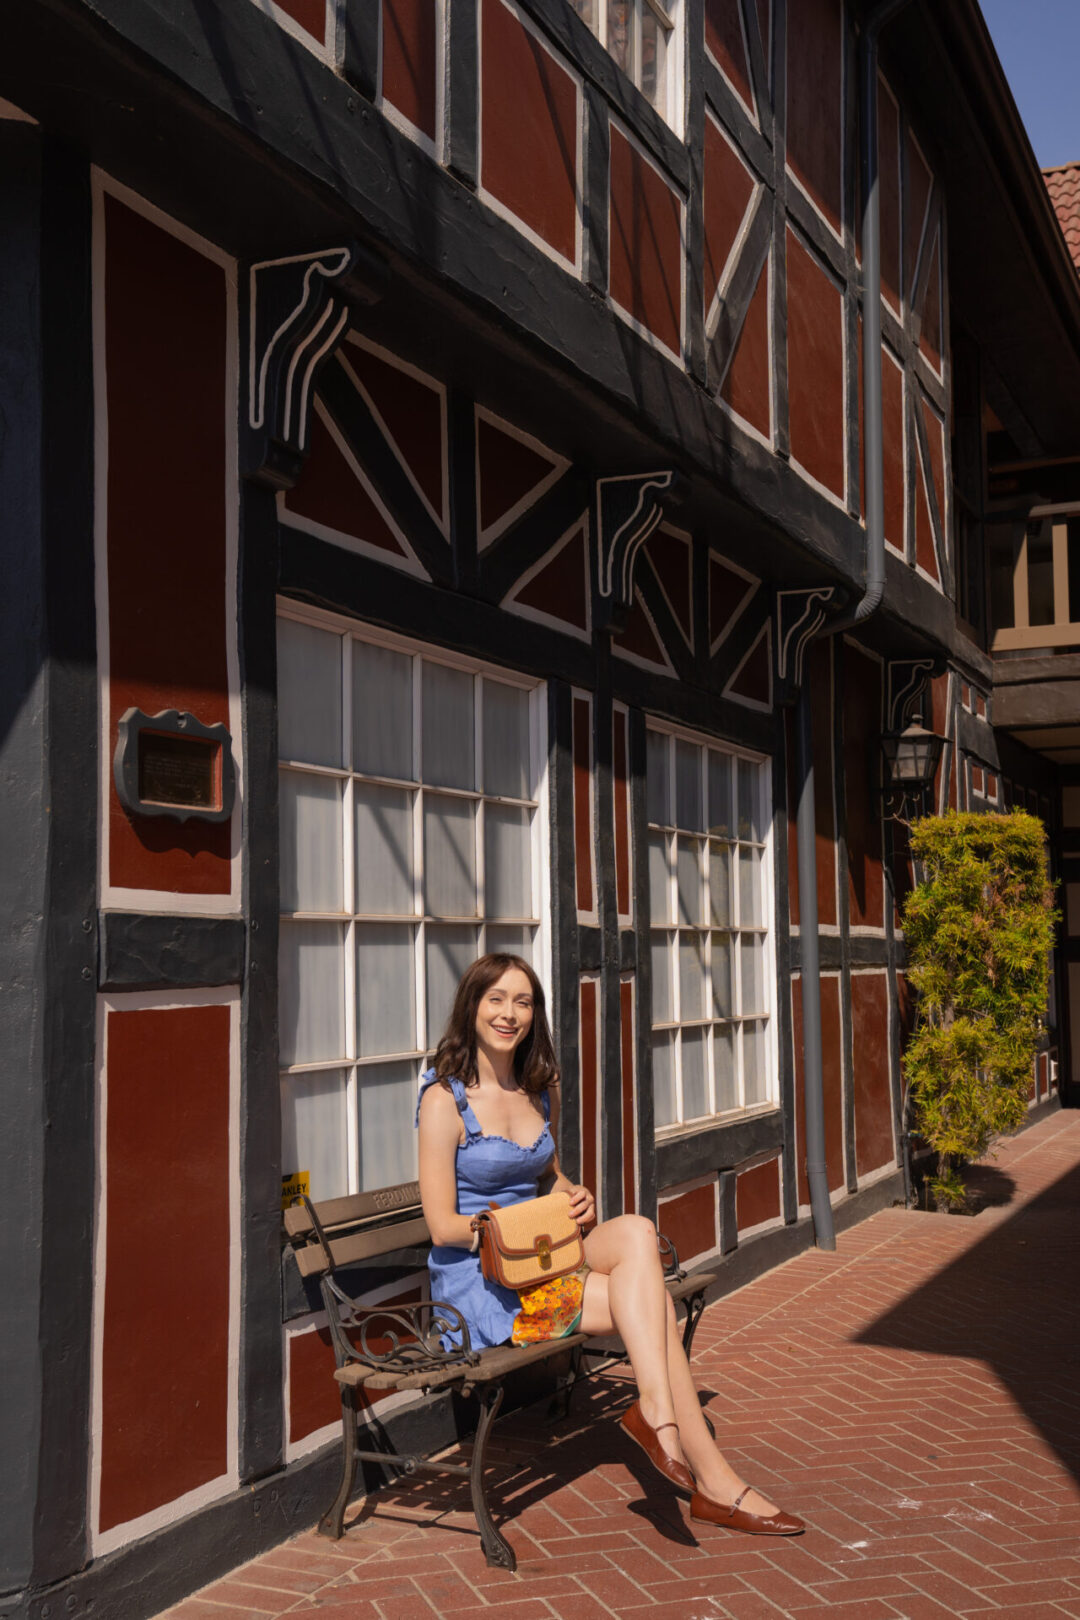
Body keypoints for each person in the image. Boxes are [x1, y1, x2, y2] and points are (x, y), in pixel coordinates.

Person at [416, 952, 804, 1537]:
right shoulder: (444, 1100)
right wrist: (511, 1227)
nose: (509, 1013)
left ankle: (657, 1415)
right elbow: (442, 1226)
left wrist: (576, 1196)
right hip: (487, 1286)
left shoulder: (535, 1091)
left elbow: (545, 1176)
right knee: (651, 1312)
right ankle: (712, 1478)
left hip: (543, 1258)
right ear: (472, 1006)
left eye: (523, 1002)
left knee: (638, 1234)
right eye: (496, 998)